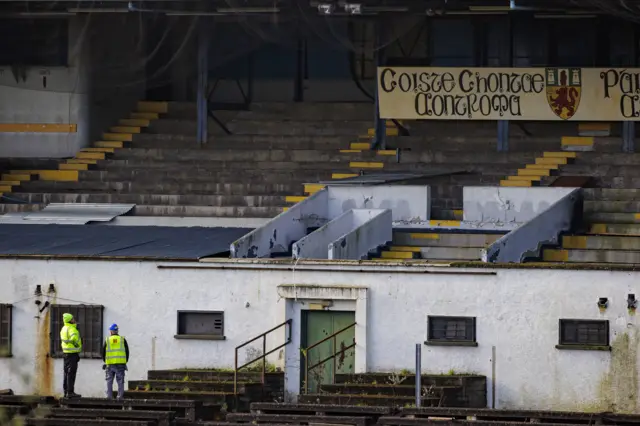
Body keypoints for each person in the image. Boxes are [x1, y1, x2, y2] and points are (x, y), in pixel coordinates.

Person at [102, 323, 130, 400]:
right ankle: (120, 396)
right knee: (120, 380)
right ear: (117, 331)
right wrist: (125, 361)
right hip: (120, 364)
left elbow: (103, 352)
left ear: (111, 331)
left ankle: (109, 396)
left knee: (109, 380)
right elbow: (127, 351)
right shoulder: (122, 339)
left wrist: (106, 361)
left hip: (110, 364)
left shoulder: (107, 340)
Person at [60, 313, 82, 398]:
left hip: (66, 353)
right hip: (72, 354)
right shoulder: (72, 329)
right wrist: (77, 345)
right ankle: (70, 392)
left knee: (66, 373)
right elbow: (74, 339)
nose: (74, 319)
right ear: (70, 320)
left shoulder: (63, 328)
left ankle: (66, 392)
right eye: (72, 318)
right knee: (71, 373)